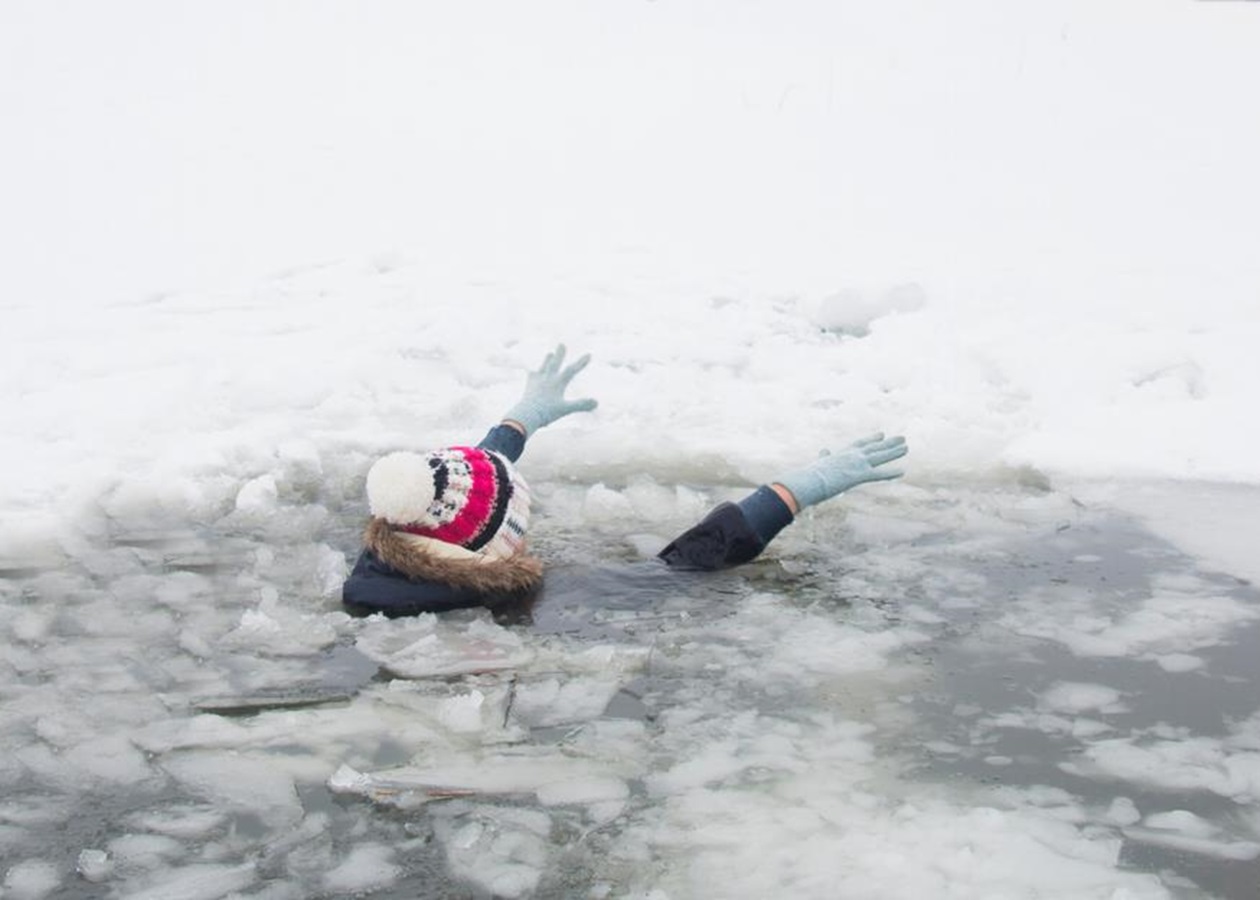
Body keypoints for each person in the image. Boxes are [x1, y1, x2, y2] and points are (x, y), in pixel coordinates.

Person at [341, 345, 908, 618]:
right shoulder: (508, 603)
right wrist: (785, 496)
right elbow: (681, 565)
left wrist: (517, 424)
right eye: (519, 531)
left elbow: (462, 497)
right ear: (492, 553)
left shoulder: (376, 571)